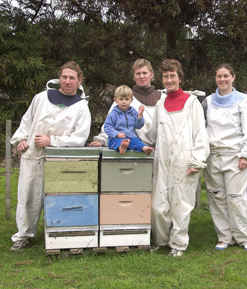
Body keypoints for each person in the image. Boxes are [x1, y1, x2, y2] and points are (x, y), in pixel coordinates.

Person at [10, 61, 91, 251]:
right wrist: (21, 139)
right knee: (28, 195)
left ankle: (58, 233)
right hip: (33, 156)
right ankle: (23, 235)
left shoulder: (81, 107)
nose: (67, 81)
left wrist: (52, 141)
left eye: (72, 78)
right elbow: (26, 123)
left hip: (61, 160)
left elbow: (79, 138)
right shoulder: (40, 98)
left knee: (61, 199)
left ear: (79, 81)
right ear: (59, 78)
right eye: (64, 77)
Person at [143, 59, 210, 257]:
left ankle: (178, 245)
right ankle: (162, 241)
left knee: (181, 204)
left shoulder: (192, 103)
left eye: (173, 76)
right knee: (159, 205)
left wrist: (197, 161)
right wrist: (138, 142)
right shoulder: (160, 103)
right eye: (165, 76)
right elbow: (153, 133)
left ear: (180, 78)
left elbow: (200, 134)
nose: (169, 80)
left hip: (184, 160)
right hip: (162, 160)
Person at [202, 63, 247, 251]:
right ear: (215, 78)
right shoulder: (208, 101)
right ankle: (225, 236)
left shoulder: (243, 101)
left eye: (226, 76)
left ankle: (244, 237)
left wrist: (246, 155)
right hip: (213, 156)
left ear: (233, 77)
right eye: (219, 76)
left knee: (236, 197)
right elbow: (202, 129)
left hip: (235, 156)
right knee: (217, 197)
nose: (222, 79)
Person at [89, 59, 164, 147]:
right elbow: (110, 124)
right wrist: (102, 140)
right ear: (134, 76)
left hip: (159, 149)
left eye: (145, 73)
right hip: (132, 148)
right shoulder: (124, 98)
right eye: (138, 73)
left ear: (151, 74)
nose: (141, 76)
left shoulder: (163, 98)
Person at [104, 85, 154, 155]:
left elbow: (139, 126)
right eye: (121, 99)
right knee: (117, 142)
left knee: (137, 142)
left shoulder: (133, 112)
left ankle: (145, 149)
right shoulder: (113, 114)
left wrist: (139, 116)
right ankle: (121, 147)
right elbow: (107, 127)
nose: (124, 102)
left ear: (131, 100)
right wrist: (117, 134)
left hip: (131, 137)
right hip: (117, 138)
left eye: (127, 99)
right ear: (115, 100)